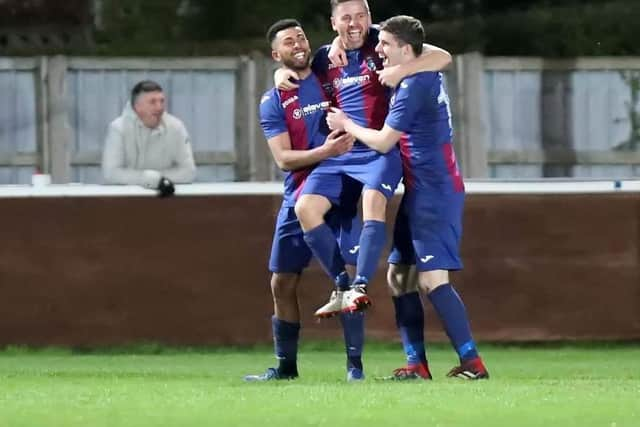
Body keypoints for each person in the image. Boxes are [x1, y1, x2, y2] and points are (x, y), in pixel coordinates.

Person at [326, 15, 489, 380]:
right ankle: (416, 364)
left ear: (404, 48)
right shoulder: (411, 72)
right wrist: (338, 44)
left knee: (433, 281)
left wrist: (347, 125)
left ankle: (472, 363)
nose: (378, 50)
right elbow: (430, 50)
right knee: (399, 277)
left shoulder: (415, 83)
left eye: (384, 44)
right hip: (420, 190)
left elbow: (385, 141)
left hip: (436, 191)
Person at [276, 0, 452, 317]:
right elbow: (296, 73)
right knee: (306, 208)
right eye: (347, 18)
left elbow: (443, 56)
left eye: (361, 16)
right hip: (342, 149)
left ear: (370, 18)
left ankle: (359, 287)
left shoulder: (383, 42)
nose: (355, 23)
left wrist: (401, 70)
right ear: (333, 23)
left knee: (373, 200)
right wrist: (280, 73)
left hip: (378, 148)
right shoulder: (323, 58)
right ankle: (343, 286)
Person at [244, 19, 367, 382]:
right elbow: (283, 159)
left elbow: (351, 40)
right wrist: (325, 150)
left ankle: (354, 368)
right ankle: (286, 367)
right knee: (281, 283)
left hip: (342, 187)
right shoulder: (273, 99)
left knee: (348, 277)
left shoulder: (329, 71)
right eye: (288, 41)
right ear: (275, 54)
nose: (298, 44)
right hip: (298, 191)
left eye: (300, 37)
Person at [102, 80, 196, 196]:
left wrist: (157, 180)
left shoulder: (176, 127)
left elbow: (188, 172)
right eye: (152, 102)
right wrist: (149, 179)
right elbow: (110, 173)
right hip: (126, 199)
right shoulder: (118, 128)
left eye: (162, 101)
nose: (159, 107)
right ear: (137, 107)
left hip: (166, 198)